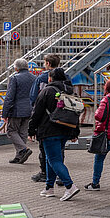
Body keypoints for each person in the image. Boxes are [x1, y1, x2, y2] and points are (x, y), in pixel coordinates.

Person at [28, 67, 81, 201]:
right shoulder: (70, 91)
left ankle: (70, 186)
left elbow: (36, 113)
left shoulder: (47, 91)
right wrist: (75, 132)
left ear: (50, 78)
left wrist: (31, 130)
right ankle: (49, 188)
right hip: (65, 129)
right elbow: (75, 113)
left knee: (54, 160)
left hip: (49, 131)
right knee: (50, 159)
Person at [29, 54, 62, 183]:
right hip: (62, 117)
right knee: (59, 149)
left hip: (45, 119)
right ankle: (59, 174)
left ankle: (45, 173)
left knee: (44, 148)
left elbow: (33, 98)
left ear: (47, 63)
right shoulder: (66, 77)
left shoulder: (42, 78)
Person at [3, 58, 35, 164]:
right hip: (29, 109)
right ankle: (19, 156)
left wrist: (5, 113)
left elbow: (9, 97)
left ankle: (23, 149)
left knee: (11, 131)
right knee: (23, 132)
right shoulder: (34, 78)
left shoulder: (14, 78)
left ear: (16, 68)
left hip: (17, 110)